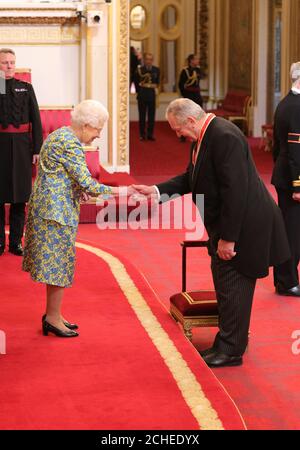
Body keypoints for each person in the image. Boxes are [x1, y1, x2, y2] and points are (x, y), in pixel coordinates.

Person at [133, 98, 290, 368]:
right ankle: (229, 341)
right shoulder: (205, 135)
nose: (177, 134)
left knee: (234, 285)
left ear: (191, 121)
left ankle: (231, 350)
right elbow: (191, 177)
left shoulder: (224, 136)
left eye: (177, 129)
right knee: (228, 286)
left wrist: (229, 238)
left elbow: (235, 191)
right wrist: (157, 191)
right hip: (231, 224)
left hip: (244, 227)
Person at [23, 100, 134, 338]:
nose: (98, 135)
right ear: (85, 125)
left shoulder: (61, 135)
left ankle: (54, 313)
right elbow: (88, 183)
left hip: (50, 206)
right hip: (56, 211)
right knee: (58, 265)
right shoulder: (69, 143)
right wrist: (124, 192)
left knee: (56, 264)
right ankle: (52, 318)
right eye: (97, 130)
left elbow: (59, 173)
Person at [0, 48, 43, 257]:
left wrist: (37, 149)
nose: (9, 66)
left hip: (22, 146)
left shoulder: (26, 88)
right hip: (0, 144)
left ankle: (16, 242)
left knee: (19, 197)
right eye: (4, 62)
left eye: (11, 62)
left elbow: (36, 119)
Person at [271, 62, 300, 297]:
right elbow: (294, 150)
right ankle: (287, 281)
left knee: (291, 231)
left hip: (285, 176)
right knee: (292, 233)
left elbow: (277, 147)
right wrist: (297, 184)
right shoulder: (296, 106)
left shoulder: (286, 103)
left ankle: (285, 278)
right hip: (293, 181)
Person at [134, 52, 160, 141]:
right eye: (147, 59)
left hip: (152, 94)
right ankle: (142, 134)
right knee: (142, 116)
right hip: (142, 94)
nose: (149, 61)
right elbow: (136, 81)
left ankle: (150, 134)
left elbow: (157, 82)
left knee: (151, 116)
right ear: (144, 60)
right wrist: (139, 91)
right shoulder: (140, 70)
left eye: (151, 59)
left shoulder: (156, 70)